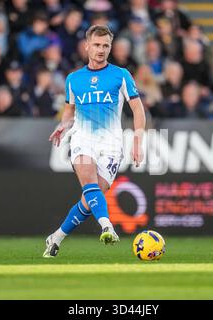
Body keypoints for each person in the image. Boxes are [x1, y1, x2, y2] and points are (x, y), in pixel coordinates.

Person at [44, 25, 146, 257]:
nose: (101, 50)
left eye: (106, 46)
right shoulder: (73, 79)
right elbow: (69, 111)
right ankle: (107, 226)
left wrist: (138, 140)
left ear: (110, 48)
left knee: (90, 200)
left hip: (112, 144)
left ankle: (56, 237)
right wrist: (63, 125)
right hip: (83, 138)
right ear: (87, 46)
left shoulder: (121, 75)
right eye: (97, 45)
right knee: (89, 184)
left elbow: (138, 109)